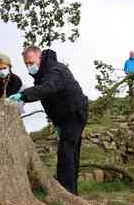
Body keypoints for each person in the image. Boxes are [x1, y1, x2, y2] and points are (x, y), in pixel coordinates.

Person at [9, 46, 89, 195]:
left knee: (65, 154)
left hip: (74, 114)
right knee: (71, 154)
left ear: (40, 57)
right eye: (26, 64)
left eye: (31, 62)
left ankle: (66, 195)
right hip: (65, 118)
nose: (29, 66)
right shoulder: (42, 74)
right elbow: (49, 99)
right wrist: (56, 123)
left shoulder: (55, 70)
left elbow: (49, 88)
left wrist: (23, 95)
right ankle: (72, 194)